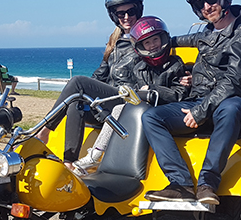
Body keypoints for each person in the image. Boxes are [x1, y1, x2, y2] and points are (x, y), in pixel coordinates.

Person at [142, 0, 241, 205]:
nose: (207, 7)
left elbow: (235, 82)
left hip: (231, 104)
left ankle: (208, 182)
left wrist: (201, 111)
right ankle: (180, 183)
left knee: (230, 107)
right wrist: (148, 41)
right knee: (151, 117)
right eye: (200, 4)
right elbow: (180, 40)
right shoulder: (208, 34)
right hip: (200, 102)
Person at [37, 0, 144, 165]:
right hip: (108, 102)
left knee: (77, 81)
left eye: (131, 11)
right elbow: (99, 75)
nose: (126, 17)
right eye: (121, 13)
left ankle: (43, 131)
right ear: (114, 16)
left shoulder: (146, 38)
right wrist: (84, 95)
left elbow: (168, 45)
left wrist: (184, 73)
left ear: (138, 11)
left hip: (128, 100)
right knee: (75, 103)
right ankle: (69, 161)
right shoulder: (115, 41)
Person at [71, 16, 188, 176]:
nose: (152, 45)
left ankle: (95, 155)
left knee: (120, 108)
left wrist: (153, 90)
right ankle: (86, 156)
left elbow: (178, 93)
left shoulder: (175, 64)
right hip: (141, 108)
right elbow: (135, 90)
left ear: (163, 38)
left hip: (162, 108)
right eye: (147, 43)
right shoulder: (140, 67)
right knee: (114, 107)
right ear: (140, 47)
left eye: (155, 40)